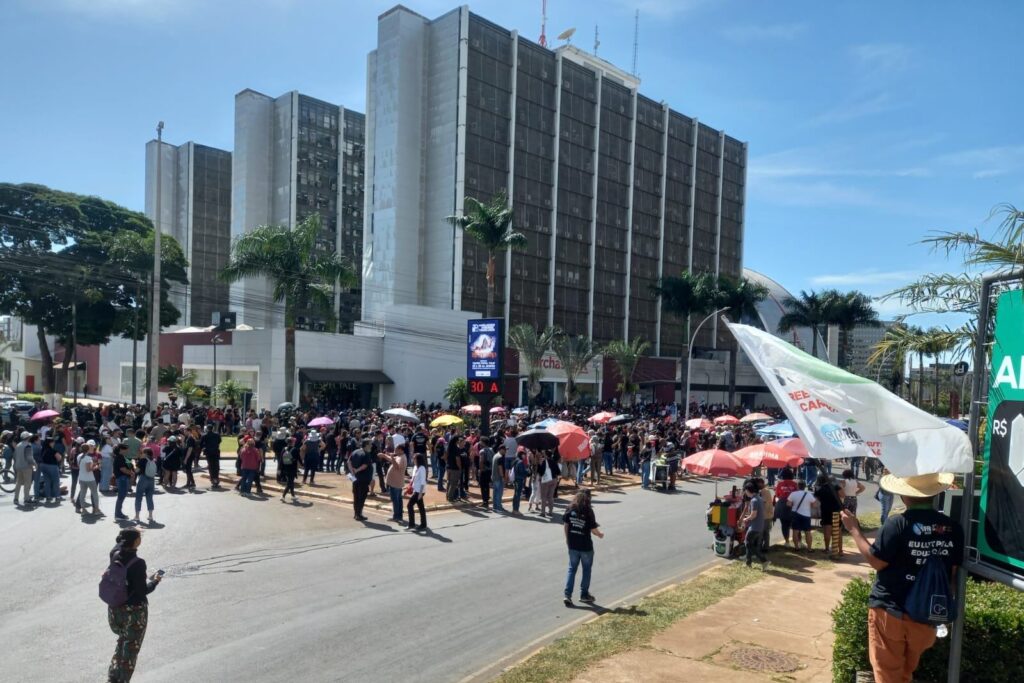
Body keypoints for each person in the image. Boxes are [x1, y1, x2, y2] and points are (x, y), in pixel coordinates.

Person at [841, 473, 964, 683]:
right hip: (927, 614)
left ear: (905, 496)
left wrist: (854, 530)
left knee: (887, 675)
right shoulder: (953, 528)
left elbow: (877, 562)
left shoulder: (897, 524)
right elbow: (952, 573)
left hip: (891, 609)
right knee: (905, 674)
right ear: (934, 494)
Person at [107, 529, 162, 681]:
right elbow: (142, 590)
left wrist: (127, 534)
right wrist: (155, 581)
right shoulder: (138, 563)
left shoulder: (114, 554)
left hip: (115, 610)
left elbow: (119, 543)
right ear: (136, 542)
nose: (141, 537)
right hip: (134, 613)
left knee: (122, 642)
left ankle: (113, 678)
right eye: (139, 536)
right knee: (130, 650)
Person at [563, 490, 603, 607]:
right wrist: (599, 534)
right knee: (586, 570)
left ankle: (567, 595)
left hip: (572, 545)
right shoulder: (588, 511)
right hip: (585, 546)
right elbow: (593, 529)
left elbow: (566, 526)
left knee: (571, 569)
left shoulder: (569, 509)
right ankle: (584, 595)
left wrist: (567, 540)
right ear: (588, 499)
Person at [739, 482, 768, 569]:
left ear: (748, 491)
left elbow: (754, 515)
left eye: (745, 491)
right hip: (759, 525)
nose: (745, 493)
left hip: (754, 526)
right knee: (749, 543)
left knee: (748, 544)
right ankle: (748, 563)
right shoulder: (759, 498)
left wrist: (745, 519)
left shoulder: (754, 500)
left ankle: (764, 560)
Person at [814, 473, 843, 555]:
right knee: (838, 530)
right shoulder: (836, 487)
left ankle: (827, 548)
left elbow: (816, 501)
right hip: (837, 509)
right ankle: (840, 550)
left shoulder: (819, 489)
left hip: (826, 510)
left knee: (827, 529)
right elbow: (843, 495)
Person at [379, 442, 407, 524]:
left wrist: (391, 456)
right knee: (398, 499)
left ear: (401, 450)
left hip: (396, 483)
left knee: (396, 500)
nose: (395, 451)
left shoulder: (402, 458)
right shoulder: (399, 456)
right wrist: (385, 456)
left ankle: (396, 516)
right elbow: (392, 460)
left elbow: (397, 466)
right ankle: (398, 515)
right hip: (395, 482)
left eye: (396, 449)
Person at [773, 468, 799, 548]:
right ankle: (799, 542)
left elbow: (777, 495)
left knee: (784, 525)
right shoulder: (795, 484)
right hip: (793, 504)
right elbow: (798, 494)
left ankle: (787, 542)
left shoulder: (780, 484)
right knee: (795, 524)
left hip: (782, 505)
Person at [786, 480, 815, 551]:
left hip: (795, 514)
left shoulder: (793, 494)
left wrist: (794, 505)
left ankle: (796, 547)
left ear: (797, 486)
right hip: (806, 515)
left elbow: (788, 504)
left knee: (795, 531)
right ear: (805, 486)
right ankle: (809, 548)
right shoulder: (808, 494)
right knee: (807, 532)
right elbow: (814, 505)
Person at [349, 439, 373, 521]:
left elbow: (349, 461)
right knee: (362, 497)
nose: (371, 446)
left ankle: (356, 514)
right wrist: (356, 470)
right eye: (370, 444)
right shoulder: (366, 454)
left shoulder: (355, 452)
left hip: (355, 479)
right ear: (366, 445)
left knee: (356, 496)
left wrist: (352, 471)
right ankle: (359, 514)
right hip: (363, 479)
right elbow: (365, 465)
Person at [78, 441, 102, 516]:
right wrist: (96, 466)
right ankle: (96, 509)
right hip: (90, 479)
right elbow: (89, 469)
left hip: (81, 477)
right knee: (95, 494)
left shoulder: (79, 456)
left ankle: (83, 509)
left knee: (82, 494)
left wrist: (93, 465)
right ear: (88, 449)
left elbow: (82, 467)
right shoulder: (88, 458)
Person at [12, 431, 36, 507]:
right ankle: (26, 499)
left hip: (18, 466)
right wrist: (35, 464)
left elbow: (15, 456)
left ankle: (16, 498)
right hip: (26, 467)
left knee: (18, 483)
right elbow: (29, 457)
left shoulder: (18, 445)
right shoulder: (28, 445)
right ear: (28, 437)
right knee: (27, 483)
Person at [134, 448, 157, 525]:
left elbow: (137, 470)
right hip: (151, 480)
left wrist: (134, 465)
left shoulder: (142, 460)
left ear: (146, 453)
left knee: (138, 497)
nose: (141, 454)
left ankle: (137, 516)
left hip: (143, 478)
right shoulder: (153, 461)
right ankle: (150, 515)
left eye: (142, 452)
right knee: (149, 497)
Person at [113, 443, 135, 520]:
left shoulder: (121, 457)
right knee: (121, 496)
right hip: (122, 478)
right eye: (125, 448)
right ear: (121, 449)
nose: (127, 450)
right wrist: (131, 473)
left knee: (122, 496)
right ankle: (118, 514)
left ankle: (118, 513)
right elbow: (122, 469)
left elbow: (127, 466)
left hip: (123, 478)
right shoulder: (120, 457)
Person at [407, 453, 428, 531]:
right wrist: (409, 487)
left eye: (414, 458)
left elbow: (423, 481)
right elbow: (413, 478)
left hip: (420, 491)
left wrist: (420, 494)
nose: (413, 460)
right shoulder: (415, 467)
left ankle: (411, 524)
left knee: (409, 505)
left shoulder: (422, 468)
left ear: (418, 460)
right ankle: (423, 524)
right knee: (421, 507)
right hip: (416, 489)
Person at [280, 436, 301, 503]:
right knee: (289, 483)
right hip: (292, 468)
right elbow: (299, 459)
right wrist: (303, 465)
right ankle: (283, 496)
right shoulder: (295, 449)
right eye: (294, 441)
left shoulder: (284, 449)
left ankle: (293, 495)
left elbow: (281, 459)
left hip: (285, 468)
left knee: (290, 482)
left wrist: (280, 468)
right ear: (292, 442)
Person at [491, 444, 506, 512]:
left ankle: (495, 506)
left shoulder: (495, 455)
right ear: (501, 449)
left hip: (494, 476)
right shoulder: (500, 457)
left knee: (495, 492)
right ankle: (498, 507)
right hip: (498, 477)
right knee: (499, 493)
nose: (506, 451)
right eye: (505, 450)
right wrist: (502, 477)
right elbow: (500, 468)